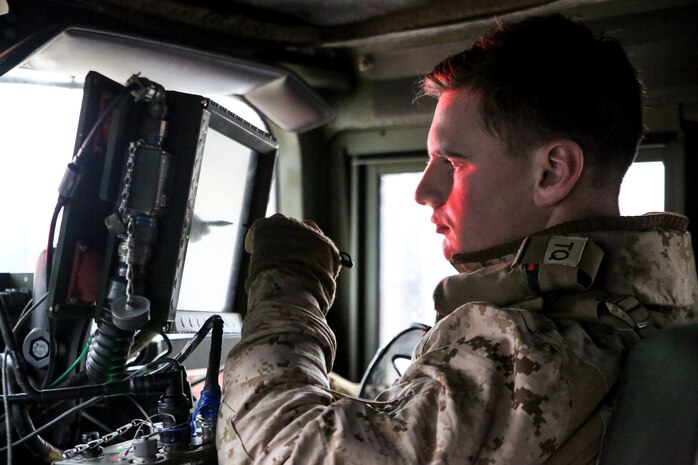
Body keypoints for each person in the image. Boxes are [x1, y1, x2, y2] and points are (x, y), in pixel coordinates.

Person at [216, 14, 698, 465]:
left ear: (552, 172)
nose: (424, 191)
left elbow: (282, 452)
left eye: (453, 163)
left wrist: (289, 286)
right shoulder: (630, 310)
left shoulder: (529, 347)